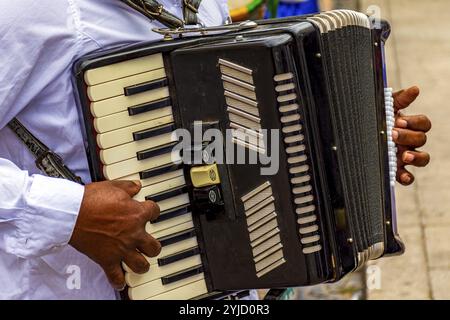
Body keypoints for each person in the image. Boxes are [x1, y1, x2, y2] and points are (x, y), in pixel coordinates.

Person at [0, 0, 430, 300]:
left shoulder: (203, 3)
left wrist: (351, 145)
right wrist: (70, 213)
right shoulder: (28, 11)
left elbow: (229, 134)